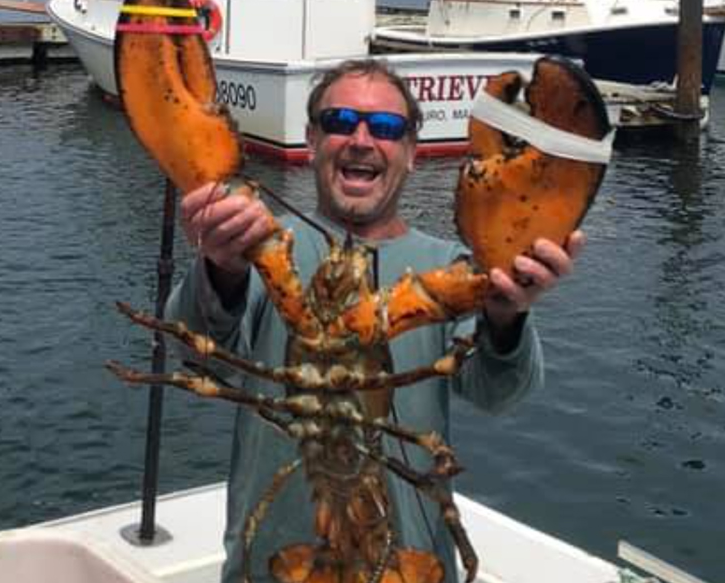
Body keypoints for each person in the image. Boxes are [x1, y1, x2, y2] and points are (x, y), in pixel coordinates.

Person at [163, 58, 584, 582]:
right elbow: (199, 352)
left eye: (385, 128)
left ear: (412, 153)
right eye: (340, 121)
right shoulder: (257, 246)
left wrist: (505, 317)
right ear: (312, 141)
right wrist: (219, 268)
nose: (361, 139)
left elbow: (499, 394)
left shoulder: (456, 271)